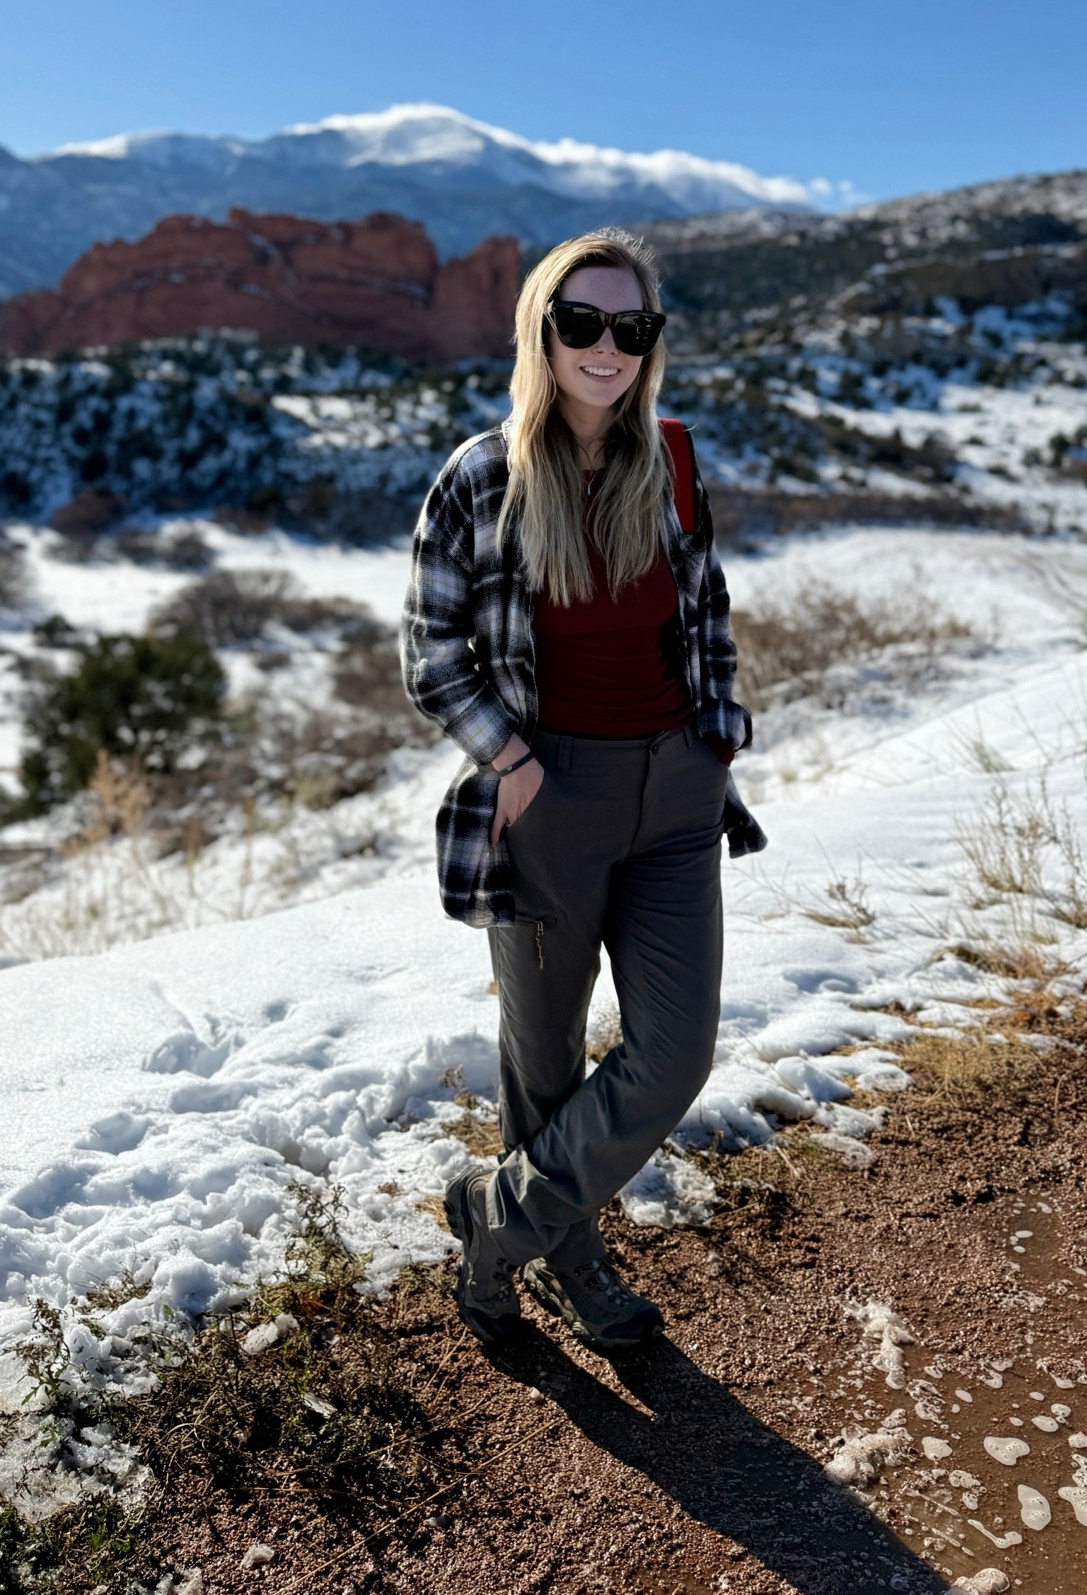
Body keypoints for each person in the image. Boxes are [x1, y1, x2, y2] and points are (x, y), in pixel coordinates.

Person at [400, 228, 764, 1351]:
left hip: (675, 797)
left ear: (651, 343)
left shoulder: (675, 461)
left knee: (675, 1052)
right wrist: (511, 765)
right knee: (546, 1063)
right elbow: (428, 646)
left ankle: (492, 1215)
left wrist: (721, 734)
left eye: (632, 327)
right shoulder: (481, 476)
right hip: (550, 793)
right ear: (543, 331)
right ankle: (572, 1263)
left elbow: (704, 612)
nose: (607, 347)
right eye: (583, 323)